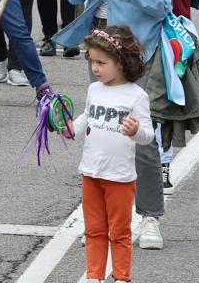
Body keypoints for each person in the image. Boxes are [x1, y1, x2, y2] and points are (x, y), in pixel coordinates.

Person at [56, 0, 173, 252]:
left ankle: (150, 216)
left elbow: (160, 3)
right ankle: (106, 217)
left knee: (136, 133)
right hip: (100, 46)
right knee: (102, 129)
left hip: (137, 50)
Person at [70, 26, 153, 283]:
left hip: (119, 176)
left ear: (121, 62)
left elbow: (148, 135)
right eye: (92, 61)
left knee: (119, 232)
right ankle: (94, 275)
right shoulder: (95, 89)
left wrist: (136, 129)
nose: (95, 68)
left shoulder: (136, 95)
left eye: (101, 62)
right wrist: (70, 129)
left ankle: (121, 277)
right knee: (94, 230)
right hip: (91, 171)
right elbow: (87, 117)